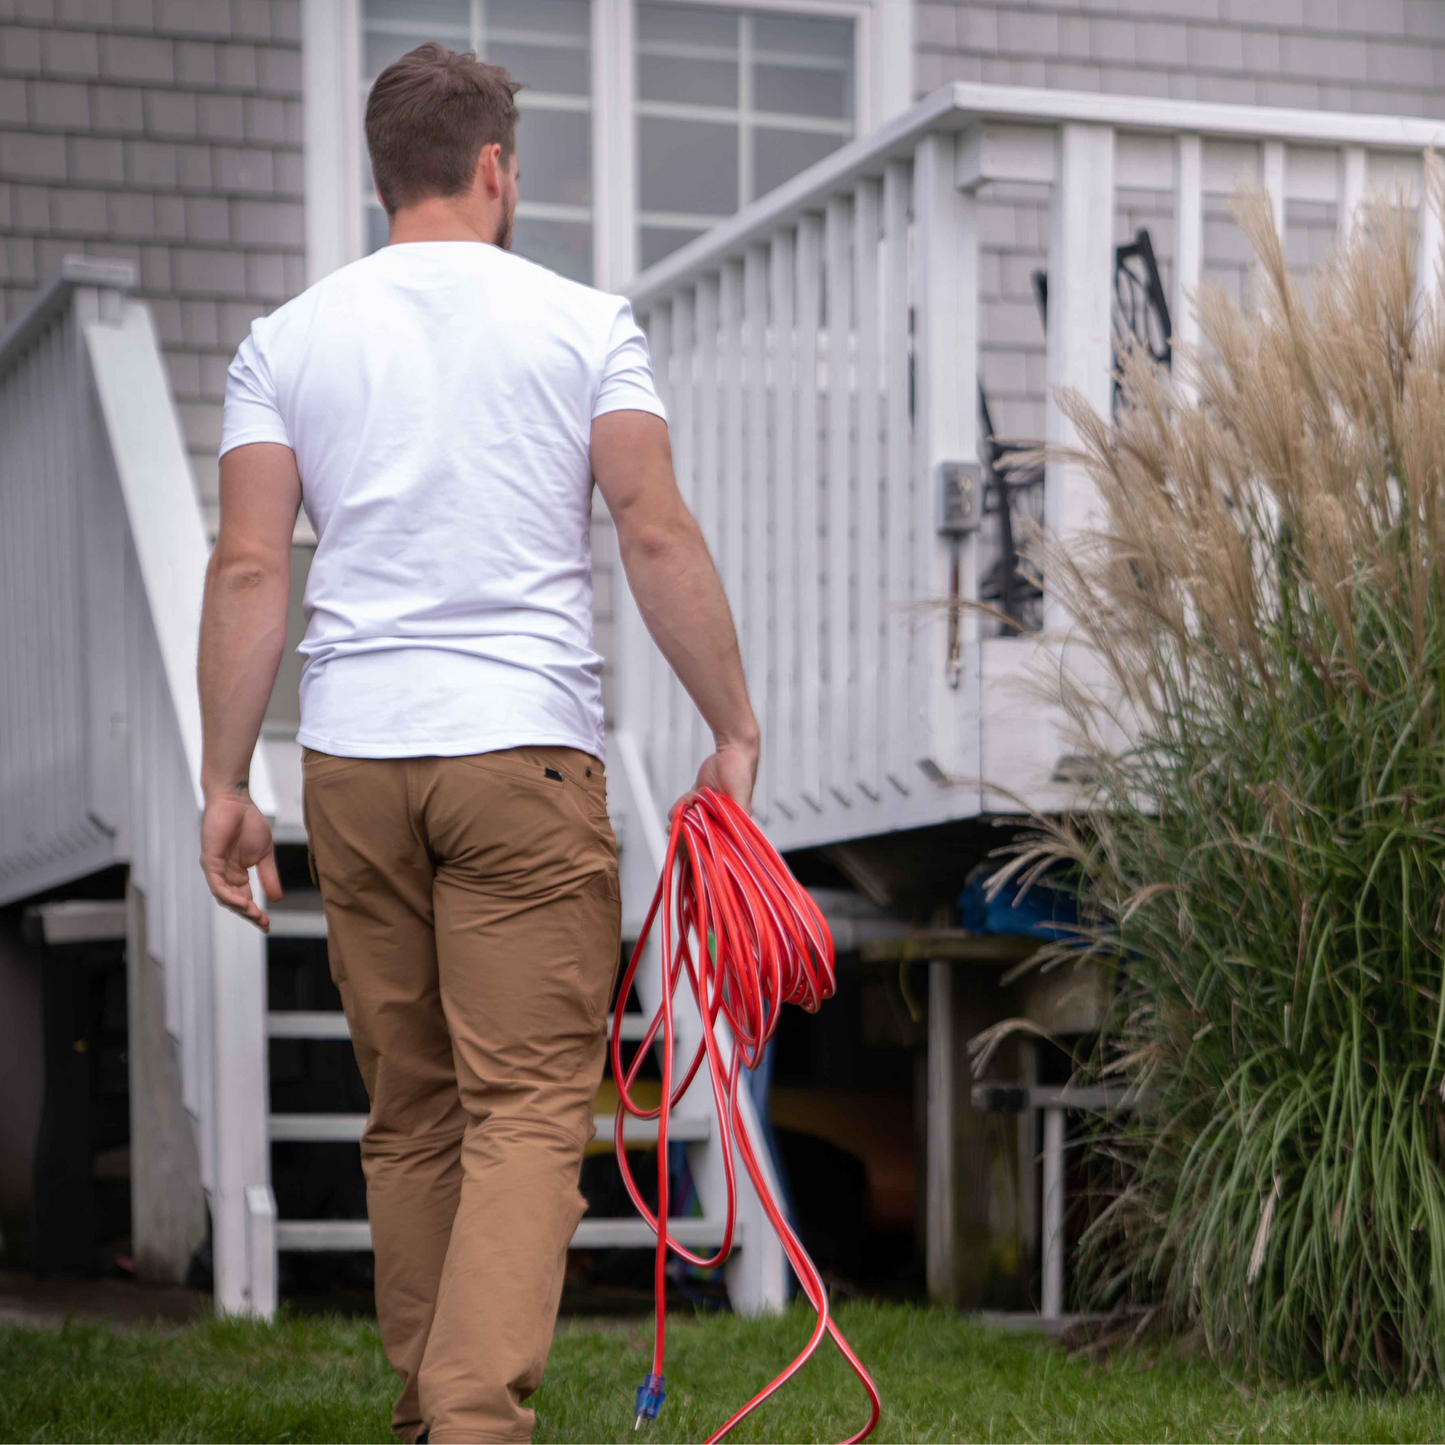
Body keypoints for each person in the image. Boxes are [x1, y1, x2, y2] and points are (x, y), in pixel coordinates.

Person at [195, 43, 758, 1445]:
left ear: (383, 175)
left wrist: (224, 779)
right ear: (495, 170)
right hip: (521, 758)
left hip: (356, 764)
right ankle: (472, 1420)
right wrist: (732, 725)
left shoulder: (287, 340)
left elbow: (252, 568)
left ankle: (427, 1408)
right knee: (520, 1111)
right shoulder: (584, 324)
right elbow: (651, 527)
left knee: (413, 1114)